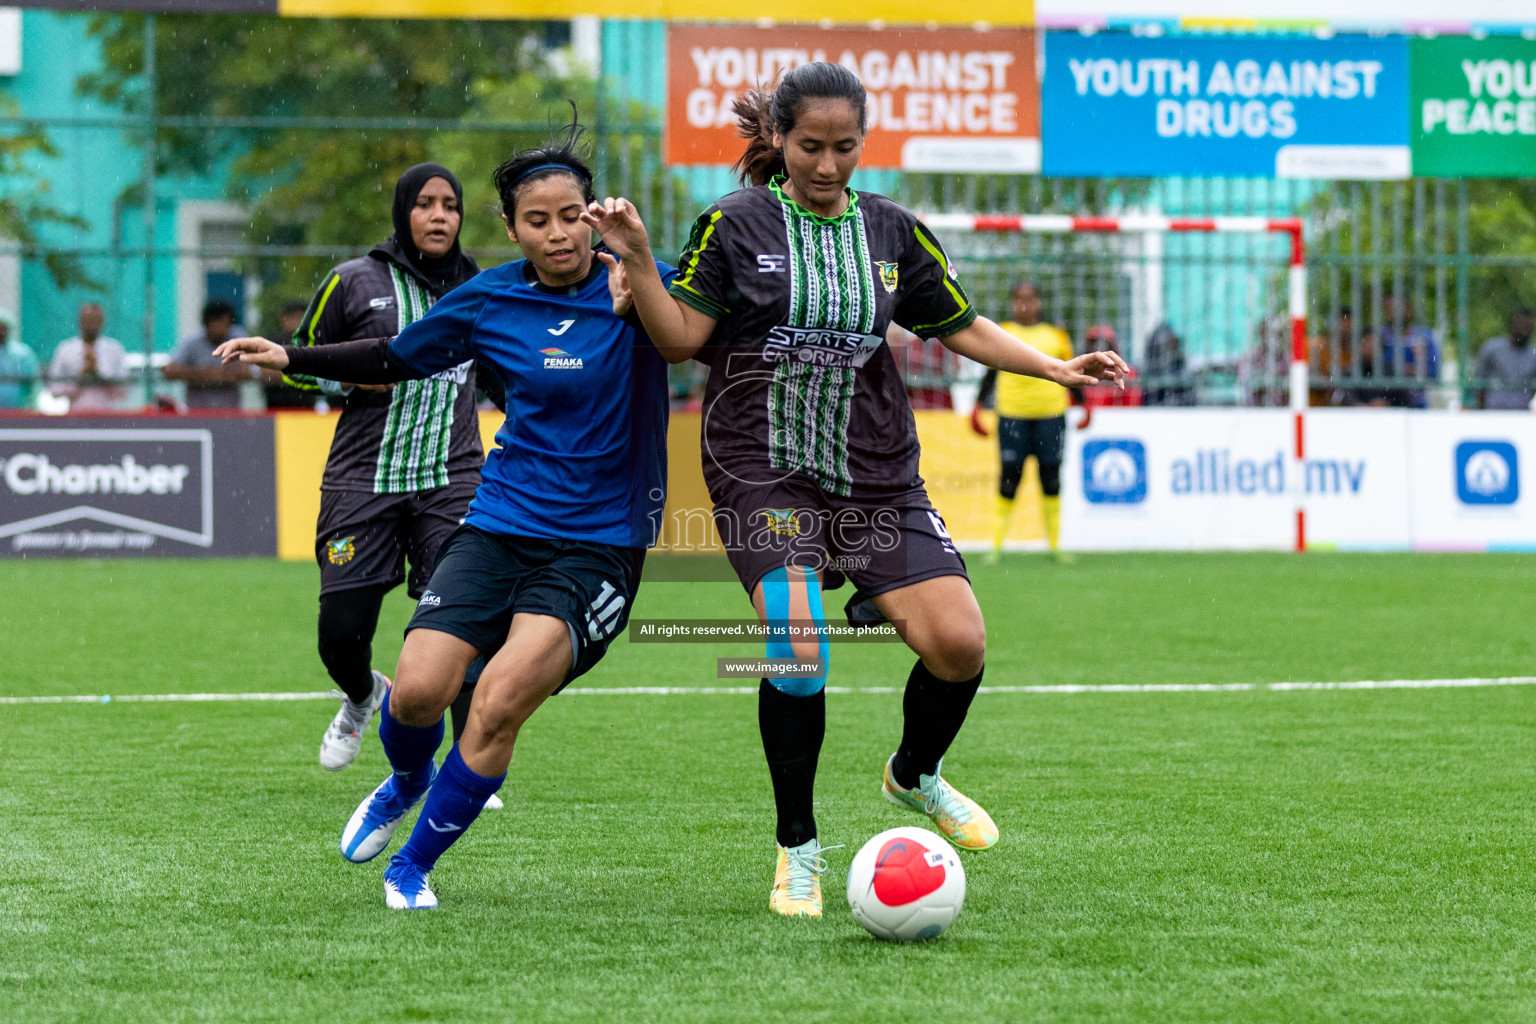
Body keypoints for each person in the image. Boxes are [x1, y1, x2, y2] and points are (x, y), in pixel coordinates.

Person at [581, 63, 1126, 918]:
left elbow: (960, 324)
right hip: (761, 468)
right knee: (801, 657)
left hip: (874, 472)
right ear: (778, 143)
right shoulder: (734, 223)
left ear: (862, 143)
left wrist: (1054, 365)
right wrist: (640, 261)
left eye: (844, 147)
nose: (827, 165)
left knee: (959, 644)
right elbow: (681, 338)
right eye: (809, 147)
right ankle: (797, 848)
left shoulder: (892, 232)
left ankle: (914, 776)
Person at [215, 127, 679, 911]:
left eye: (572, 215)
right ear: (510, 228)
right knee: (418, 694)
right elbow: (395, 356)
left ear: (595, 216)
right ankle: (404, 780)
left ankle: (412, 869)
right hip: (500, 522)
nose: (558, 233)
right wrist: (293, 358)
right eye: (538, 220)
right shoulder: (491, 296)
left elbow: (699, 339)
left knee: (495, 700)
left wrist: (640, 268)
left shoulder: (641, 285)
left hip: (599, 544)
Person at [282, 163, 505, 775]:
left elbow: (499, 375)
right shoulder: (352, 281)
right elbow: (298, 363)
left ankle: (467, 764)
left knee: (462, 622)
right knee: (341, 633)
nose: (440, 216)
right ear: (403, 212)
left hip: (453, 478)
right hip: (362, 480)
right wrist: (358, 375)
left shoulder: (484, 290)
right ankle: (361, 699)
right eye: (426, 204)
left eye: (451, 206)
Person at [970, 281, 1084, 563]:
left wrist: (1084, 404)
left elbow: (1070, 372)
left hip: (1050, 415)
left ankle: (1054, 546)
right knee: (1009, 477)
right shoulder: (1003, 333)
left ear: (1039, 303)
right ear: (1012, 303)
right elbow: (991, 375)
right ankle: (996, 546)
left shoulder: (1056, 336)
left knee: (1050, 477)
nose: (1025, 304)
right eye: (1019, 299)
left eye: (1030, 299)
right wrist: (977, 407)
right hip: (1012, 416)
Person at [163, 299, 265, 408]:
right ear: (208, 323)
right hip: (198, 412)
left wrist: (226, 374)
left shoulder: (238, 339)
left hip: (231, 413)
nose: (224, 328)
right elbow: (168, 370)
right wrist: (200, 375)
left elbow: (255, 370)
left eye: (227, 323)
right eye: (220, 323)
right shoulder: (193, 342)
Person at [49, 302, 130, 411]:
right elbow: (54, 389)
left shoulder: (114, 349)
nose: (91, 323)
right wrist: (81, 378)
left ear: (102, 322)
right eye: (88, 319)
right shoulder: (66, 349)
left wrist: (99, 375)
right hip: (75, 416)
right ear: (80, 320)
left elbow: (125, 391)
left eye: (95, 319)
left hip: (107, 417)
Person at [1379, 289, 1440, 409]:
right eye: (1389, 308)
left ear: (1409, 308)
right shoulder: (1379, 336)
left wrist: (1398, 370)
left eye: (1398, 307)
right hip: (1384, 405)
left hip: (1418, 407)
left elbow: (1433, 372)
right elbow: (1373, 370)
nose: (1394, 312)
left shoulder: (1424, 336)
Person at [1474, 307, 1536, 410]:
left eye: (1527, 326)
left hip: (1521, 415)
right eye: (1521, 324)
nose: (1524, 330)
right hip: (1493, 413)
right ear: (1512, 325)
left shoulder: (1533, 355)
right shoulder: (1492, 348)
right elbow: (1479, 382)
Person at [264, 300, 318, 409]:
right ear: (284, 320)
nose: (298, 322)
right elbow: (266, 373)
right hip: (275, 409)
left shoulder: (314, 343)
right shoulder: (272, 343)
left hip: (307, 409)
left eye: (302, 318)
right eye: (294, 318)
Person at [0, 309, 38, 410]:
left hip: (18, 412)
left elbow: (33, 383)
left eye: (2, 327)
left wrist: (32, 407)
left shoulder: (22, 353)